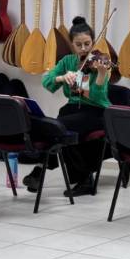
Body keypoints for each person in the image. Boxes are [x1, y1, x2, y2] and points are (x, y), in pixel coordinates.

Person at [36, 16, 111, 197]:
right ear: (72, 44)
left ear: (93, 42)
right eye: (79, 45)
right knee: (61, 127)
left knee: (62, 127)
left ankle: (43, 167)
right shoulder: (67, 62)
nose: (84, 49)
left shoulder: (101, 60)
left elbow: (96, 97)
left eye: (87, 43)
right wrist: (62, 78)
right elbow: (46, 81)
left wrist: (101, 73)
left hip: (97, 112)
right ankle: (84, 179)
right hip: (73, 110)